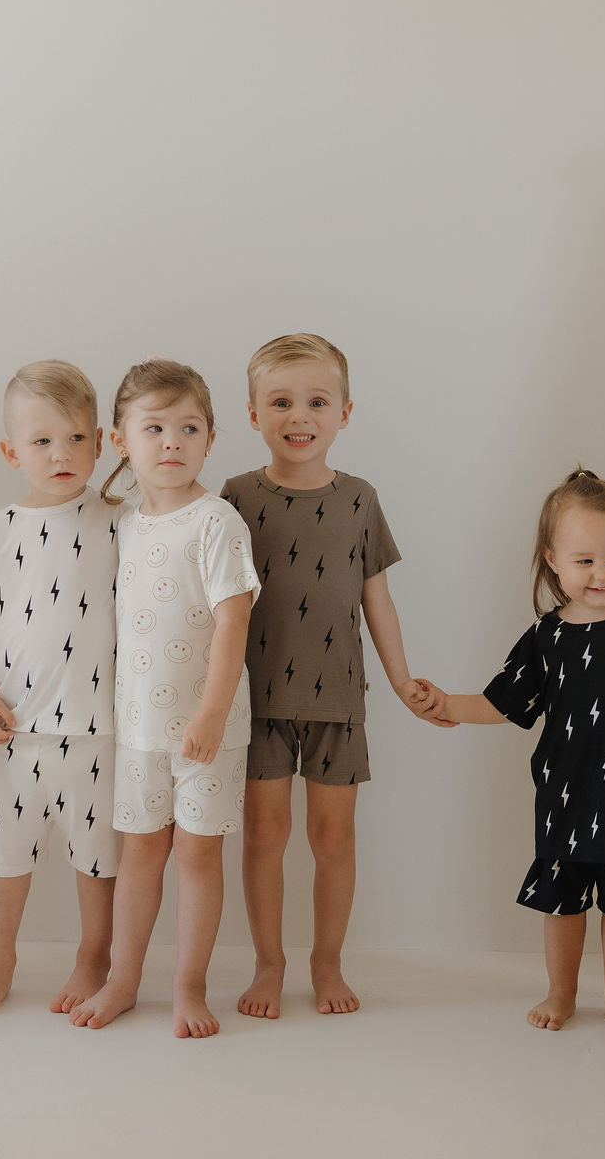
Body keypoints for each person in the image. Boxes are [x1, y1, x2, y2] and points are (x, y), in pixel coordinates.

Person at [423, 469, 605, 1035]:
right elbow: (505, 701)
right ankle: (561, 991)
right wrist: (448, 704)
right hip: (566, 795)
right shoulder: (546, 638)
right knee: (564, 901)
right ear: (552, 561)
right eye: (584, 561)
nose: (603, 574)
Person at [220, 333, 449, 1019]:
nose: (300, 416)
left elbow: (376, 598)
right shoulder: (234, 497)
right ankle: (268, 964)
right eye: (281, 401)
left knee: (334, 838)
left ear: (345, 413)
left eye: (317, 401)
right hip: (256, 698)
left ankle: (327, 963)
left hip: (339, 699)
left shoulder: (359, 499)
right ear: (254, 414)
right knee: (263, 836)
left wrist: (404, 679)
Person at [70, 359, 259, 1038]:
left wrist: (210, 713)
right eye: (154, 427)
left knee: (197, 859)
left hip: (209, 730)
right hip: (139, 732)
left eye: (189, 427)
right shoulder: (122, 525)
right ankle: (123, 980)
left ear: (210, 438)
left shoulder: (216, 523)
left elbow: (234, 621)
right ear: (120, 438)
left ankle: (188, 986)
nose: (172, 441)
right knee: (140, 856)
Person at [0, 361, 122, 1016]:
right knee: (6, 858)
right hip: (17, 726)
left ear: (102, 442)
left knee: (98, 860)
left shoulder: (119, 521)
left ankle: (93, 958)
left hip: (98, 727)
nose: (62, 454)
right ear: (11, 451)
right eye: (43, 441)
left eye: (78, 438)